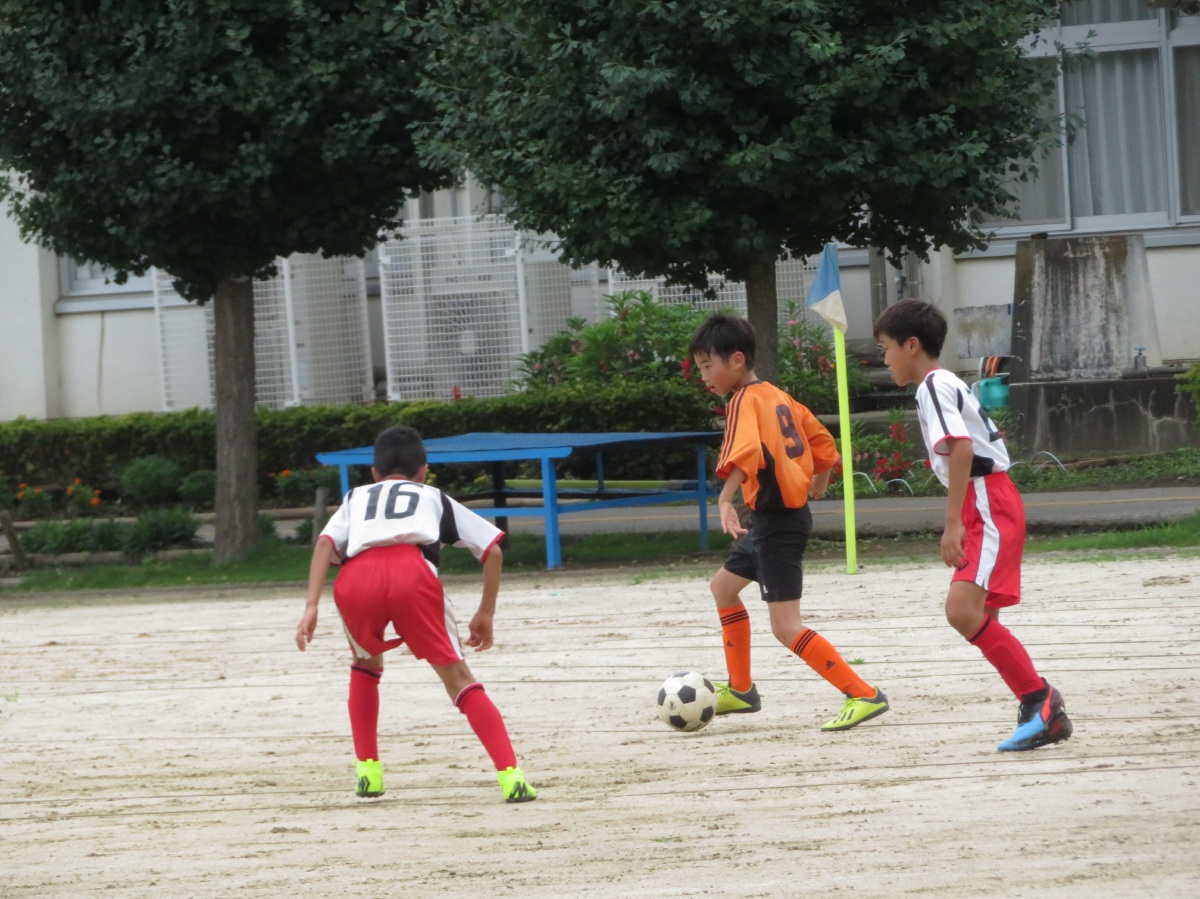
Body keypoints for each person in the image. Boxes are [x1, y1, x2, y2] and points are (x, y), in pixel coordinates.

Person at [295, 425, 536, 802]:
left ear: (374, 473)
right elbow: (492, 549)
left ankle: (368, 773)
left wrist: (311, 605)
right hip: (412, 574)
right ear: (423, 471)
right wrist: (485, 612)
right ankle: (511, 777)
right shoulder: (432, 495)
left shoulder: (356, 496)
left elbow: (326, 543)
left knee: (364, 665)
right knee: (458, 678)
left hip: (356, 579)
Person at [873, 299, 1072, 752]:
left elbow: (961, 449)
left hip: (986, 500)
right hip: (990, 499)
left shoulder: (932, 385)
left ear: (911, 345)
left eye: (886, 348)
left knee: (962, 612)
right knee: (980, 616)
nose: (884, 359)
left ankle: (1040, 700)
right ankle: (1039, 709)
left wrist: (952, 524)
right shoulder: (944, 382)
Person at [689, 313, 890, 731]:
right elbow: (823, 443)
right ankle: (741, 690)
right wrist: (819, 482)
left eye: (707, 365)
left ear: (737, 360)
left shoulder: (742, 400)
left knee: (785, 626)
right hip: (774, 521)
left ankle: (863, 694)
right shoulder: (778, 396)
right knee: (723, 588)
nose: (703, 376)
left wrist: (725, 498)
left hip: (778, 524)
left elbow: (746, 452)